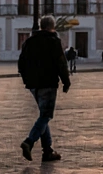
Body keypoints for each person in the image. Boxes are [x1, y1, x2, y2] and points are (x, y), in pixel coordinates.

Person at [17, 15, 70, 162]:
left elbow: (21, 64)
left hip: (33, 85)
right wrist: (66, 82)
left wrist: (27, 80)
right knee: (46, 115)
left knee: (43, 115)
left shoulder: (29, 42)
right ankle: (29, 141)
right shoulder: (53, 41)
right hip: (48, 83)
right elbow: (61, 63)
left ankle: (47, 151)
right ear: (52, 27)